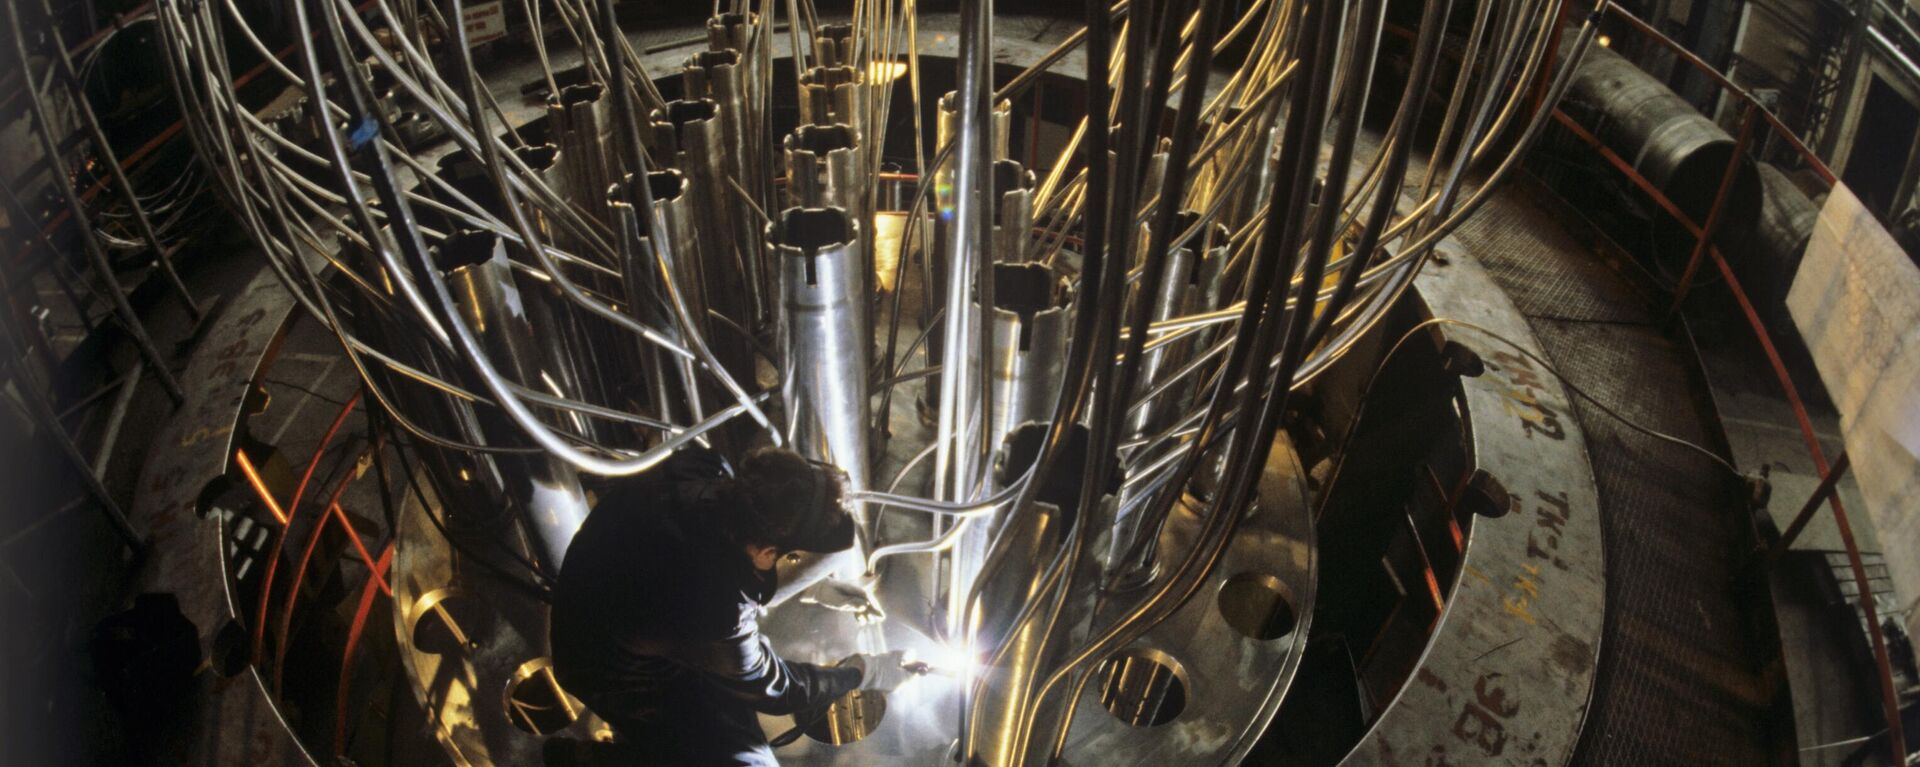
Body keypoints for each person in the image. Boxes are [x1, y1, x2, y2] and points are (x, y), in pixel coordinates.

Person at [549, 446, 911, 765]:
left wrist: (812, 585)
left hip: (609, 603)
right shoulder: (713, 608)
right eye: (795, 558)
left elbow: (728, 569)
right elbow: (776, 689)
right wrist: (861, 673)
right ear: (769, 552)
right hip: (611, 673)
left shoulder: (702, 467)